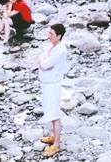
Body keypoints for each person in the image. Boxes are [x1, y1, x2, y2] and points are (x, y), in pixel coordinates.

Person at [37, 23, 68, 158]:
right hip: (47, 83)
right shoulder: (52, 46)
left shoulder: (60, 50)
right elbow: (42, 57)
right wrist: (43, 61)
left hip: (52, 85)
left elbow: (44, 64)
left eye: (51, 34)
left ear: (59, 36)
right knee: (50, 111)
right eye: (49, 33)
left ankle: (56, 144)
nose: (48, 36)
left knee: (54, 114)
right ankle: (54, 137)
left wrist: (43, 62)